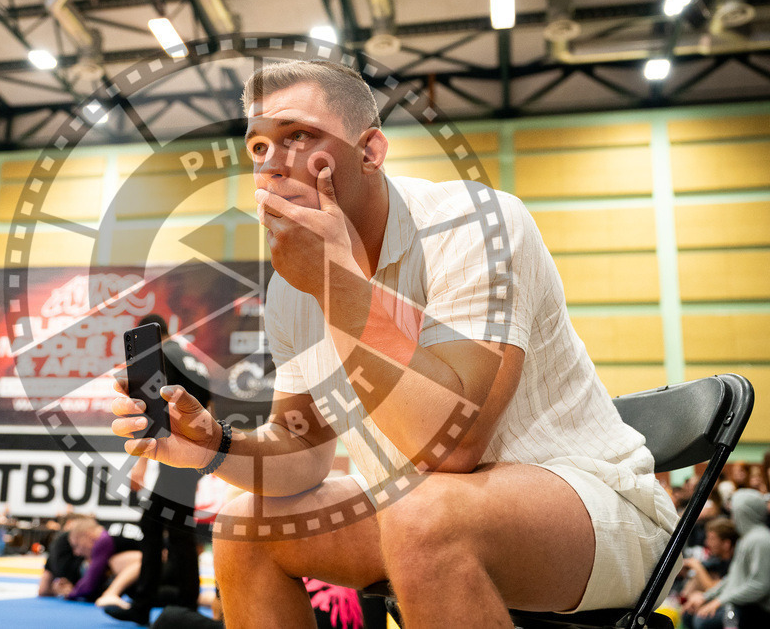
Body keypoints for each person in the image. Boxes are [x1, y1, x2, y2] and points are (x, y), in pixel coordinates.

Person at [111, 59, 679, 628]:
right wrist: (216, 446)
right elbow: (302, 453)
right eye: (258, 147)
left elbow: (453, 447)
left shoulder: (475, 225)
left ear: (370, 152)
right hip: (419, 507)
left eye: (298, 136)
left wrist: (336, 286)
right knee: (245, 527)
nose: (272, 164)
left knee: (421, 511)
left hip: (596, 508)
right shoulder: (291, 290)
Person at [106, 314, 211, 625]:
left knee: (160, 527)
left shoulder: (160, 357)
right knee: (176, 528)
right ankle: (181, 604)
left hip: (176, 450)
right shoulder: (194, 360)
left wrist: (139, 465)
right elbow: (210, 408)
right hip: (197, 449)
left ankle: (148, 605)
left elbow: (151, 411)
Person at [682, 490, 770, 629]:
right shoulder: (746, 539)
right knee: (689, 614)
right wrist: (707, 597)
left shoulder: (760, 539)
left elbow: (760, 585)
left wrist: (719, 601)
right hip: (741, 603)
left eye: (735, 511)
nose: (733, 517)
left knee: (703, 621)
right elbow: (733, 578)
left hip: (756, 608)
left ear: (744, 512)